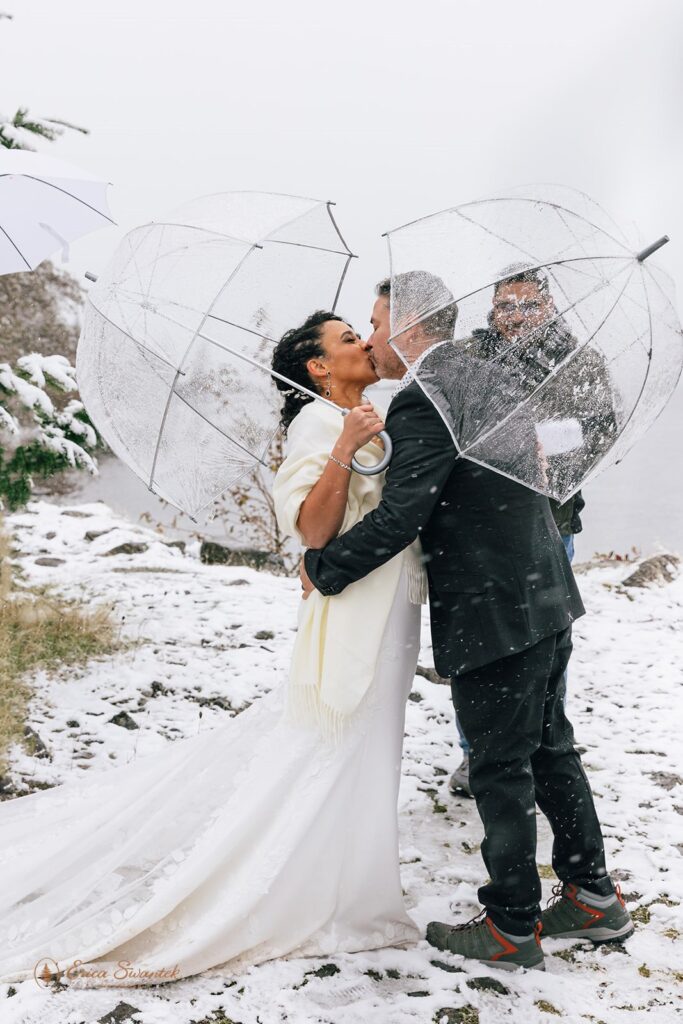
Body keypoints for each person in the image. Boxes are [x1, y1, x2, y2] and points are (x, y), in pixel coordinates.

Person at [0, 311, 426, 987]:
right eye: (349, 339)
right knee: (341, 737)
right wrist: (345, 447)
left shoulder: (371, 411)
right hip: (354, 607)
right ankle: (310, 890)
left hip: (393, 600)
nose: (367, 344)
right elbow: (313, 531)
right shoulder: (316, 425)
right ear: (316, 367)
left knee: (372, 741)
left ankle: (349, 877)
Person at [302, 275, 633, 971]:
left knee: (499, 765)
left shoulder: (428, 402)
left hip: (493, 606)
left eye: (375, 321)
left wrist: (323, 566)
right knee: (548, 747)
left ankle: (511, 925)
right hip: (544, 590)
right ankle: (591, 897)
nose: (367, 337)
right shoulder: (487, 375)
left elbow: (401, 517)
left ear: (412, 327)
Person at [449, 267, 618, 798]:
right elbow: (451, 425)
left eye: (528, 306)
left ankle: (544, 747)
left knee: (544, 645)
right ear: (492, 310)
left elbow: (599, 431)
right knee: (480, 645)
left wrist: (542, 441)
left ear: (548, 308)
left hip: (549, 521)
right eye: (506, 307)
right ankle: (474, 752)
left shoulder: (578, 361)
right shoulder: (471, 358)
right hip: (478, 523)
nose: (516, 317)